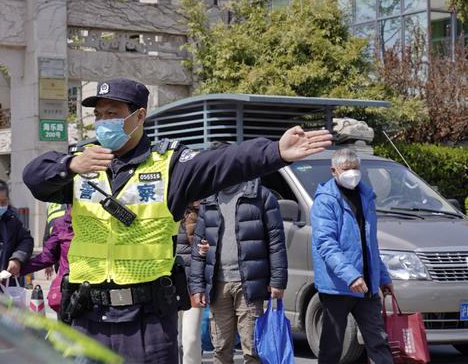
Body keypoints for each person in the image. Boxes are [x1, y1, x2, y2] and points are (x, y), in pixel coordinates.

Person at [22, 77, 332, 361]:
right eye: (99, 115)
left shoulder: (171, 165)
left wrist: (275, 151)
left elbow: (224, 161)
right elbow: (34, 177)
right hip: (88, 315)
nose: (103, 122)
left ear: (139, 116)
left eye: (112, 114)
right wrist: (71, 164)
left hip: (146, 319)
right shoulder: (81, 160)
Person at [189, 171, 287, 364]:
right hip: (218, 285)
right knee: (221, 348)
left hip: (249, 284)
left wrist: (277, 280)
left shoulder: (260, 195)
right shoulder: (209, 199)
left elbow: (276, 242)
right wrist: (197, 286)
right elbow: (197, 248)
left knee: (252, 349)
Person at [311, 148, 394, 364]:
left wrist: (383, 277)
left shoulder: (366, 196)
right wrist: (351, 276)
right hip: (337, 286)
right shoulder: (325, 200)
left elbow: (370, 244)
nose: (352, 174)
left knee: (378, 342)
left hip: (366, 286)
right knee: (332, 346)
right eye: (346, 169)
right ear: (334, 171)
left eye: (356, 168)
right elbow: (326, 244)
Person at [20, 205, 73, 315]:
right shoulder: (61, 223)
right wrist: (19, 268)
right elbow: (48, 255)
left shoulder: (100, 226)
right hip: (68, 291)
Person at [177, 201, 208, 364]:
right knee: (173, 342)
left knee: (191, 341)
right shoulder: (171, 207)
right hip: (169, 286)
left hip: (194, 285)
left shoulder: (209, 210)